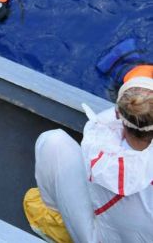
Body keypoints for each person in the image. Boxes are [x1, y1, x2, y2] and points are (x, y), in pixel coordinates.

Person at [25, 64, 153, 242]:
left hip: (100, 238)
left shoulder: (98, 141)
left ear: (119, 113)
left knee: (53, 142)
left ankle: (54, 229)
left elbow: (119, 113)